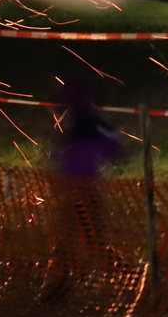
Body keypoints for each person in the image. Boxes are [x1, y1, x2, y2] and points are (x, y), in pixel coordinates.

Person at [43, 78, 123, 299]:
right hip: (80, 189)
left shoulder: (81, 124)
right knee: (86, 236)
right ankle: (64, 280)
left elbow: (113, 149)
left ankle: (63, 280)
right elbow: (115, 151)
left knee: (79, 236)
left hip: (78, 189)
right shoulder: (85, 124)